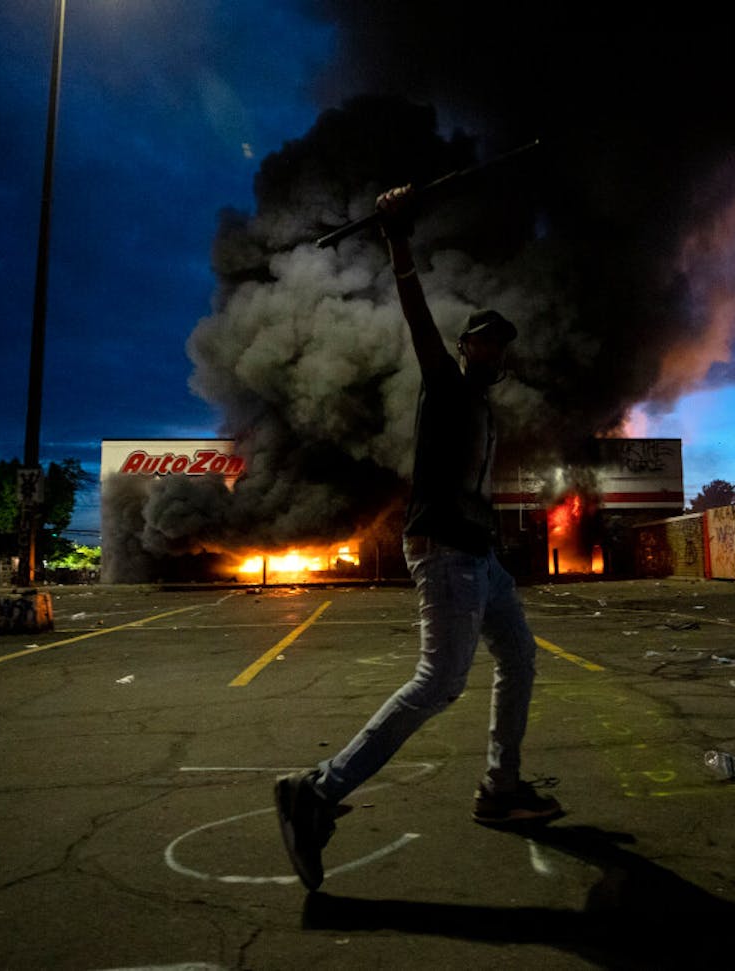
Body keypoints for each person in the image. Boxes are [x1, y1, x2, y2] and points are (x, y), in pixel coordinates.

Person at [273, 183, 562, 892]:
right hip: (444, 552)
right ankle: (319, 788)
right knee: (439, 682)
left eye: (502, 343)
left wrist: (496, 542)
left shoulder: (487, 411)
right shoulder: (446, 384)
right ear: (467, 348)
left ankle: (501, 785)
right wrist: (398, 239)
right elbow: (416, 315)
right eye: (484, 339)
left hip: (480, 558)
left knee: (519, 657)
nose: (494, 349)